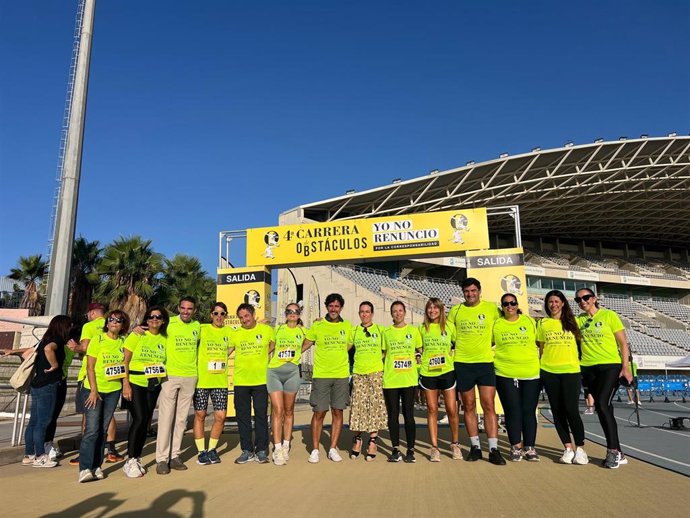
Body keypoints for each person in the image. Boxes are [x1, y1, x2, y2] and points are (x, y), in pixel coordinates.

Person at [448, 278, 505, 465]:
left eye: (473, 290)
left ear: (479, 291)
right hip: (463, 363)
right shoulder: (455, 311)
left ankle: (494, 449)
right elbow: (448, 335)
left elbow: (501, 330)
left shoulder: (492, 309)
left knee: (489, 405)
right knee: (469, 405)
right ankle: (475, 447)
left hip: (485, 363)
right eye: (466, 291)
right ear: (463, 292)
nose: (470, 294)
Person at [576, 288, 632, 469]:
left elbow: (623, 342)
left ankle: (613, 451)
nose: (582, 301)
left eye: (586, 298)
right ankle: (618, 451)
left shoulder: (609, 316)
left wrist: (625, 367)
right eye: (578, 300)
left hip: (610, 366)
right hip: (588, 368)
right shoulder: (579, 321)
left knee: (601, 403)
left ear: (594, 298)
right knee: (603, 408)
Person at [537, 290, 588, 465]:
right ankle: (568, 448)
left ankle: (580, 448)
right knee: (557, 412)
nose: (553, 304)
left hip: (571, 371)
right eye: (550, 302)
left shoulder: (574, 322)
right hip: (549, 371)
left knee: (571, 410)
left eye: (556, 301)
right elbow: (542, 349)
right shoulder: (543, 323)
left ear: (563, 303)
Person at [78, 310, 129, 482]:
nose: (115, 322)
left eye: (119, 320)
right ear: (107, 323)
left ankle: (96, 465)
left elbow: (125, 364)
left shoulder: (123, 342)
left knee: (103, 430)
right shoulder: (97, 340)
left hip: (113, 390)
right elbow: (90, 367)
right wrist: (93, 390)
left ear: (123, 325)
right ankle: (85, 468)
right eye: (112, 319)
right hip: (95, 389)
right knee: (91, 429)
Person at [70, 302, 123, 465]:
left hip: (91, 376)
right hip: (113, 380)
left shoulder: (89, 326)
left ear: (92, 313)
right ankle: (111, 450)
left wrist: (74, 347)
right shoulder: (120, 334)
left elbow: (85, 347)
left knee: (89, 417)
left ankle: (85, 454)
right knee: (107, 418)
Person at [302, 293, 351, 464]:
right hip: (321, 375)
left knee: (338, 411)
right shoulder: (318, 326)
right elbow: (304, 345)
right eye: (331, 306)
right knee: (319, 412)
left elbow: (350, 345)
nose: (333, 309)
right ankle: (315, 449)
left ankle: (332, 448)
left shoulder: (348, 326)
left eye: (337, 306)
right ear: (327, 307)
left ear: (341, 308)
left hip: (341, 375)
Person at [121, 306, 169, 478]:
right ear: (146, 320)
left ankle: (137, 457)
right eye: (150, 317)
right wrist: (125, 384)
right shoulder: (137, 334)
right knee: (139, 418)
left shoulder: (165, 338)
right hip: (135, 381)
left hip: (153, 383)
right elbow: (124, 361)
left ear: (163, 320)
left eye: (158, 317)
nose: (154, 319)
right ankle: (130, 460)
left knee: (145, 421)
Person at [156, 296, 201, 475]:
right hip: (170, 376)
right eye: (183, 308)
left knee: (181, 419)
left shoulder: (198, 326)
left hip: (190, 376)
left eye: (190, 309)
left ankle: (175, 456)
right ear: (178, 308)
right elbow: (151, 329)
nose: (186, 311)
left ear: (194, 311)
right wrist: (137, 329)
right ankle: (161, 459)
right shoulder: (168, 323)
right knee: (166, 417)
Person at [493, 294, 540, 462]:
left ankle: (530, 447)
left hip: (531, 372)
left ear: (517, 304)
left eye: (512, 303)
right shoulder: (497, 324)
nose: (509, 306)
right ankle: (515, 446)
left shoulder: (529, 322)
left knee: (529, 411)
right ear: (502, 306)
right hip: (505, 372)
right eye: (505, 304)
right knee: (512, 411)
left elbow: (540, 343)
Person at [22, 315, 72, 468]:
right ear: (63, 326)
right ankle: (40, 456)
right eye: (69, 325)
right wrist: (55, 365)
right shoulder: (56, 341)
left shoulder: (43, 339)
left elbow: (27, 353)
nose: (71, 328)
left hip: (37, 383)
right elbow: (48, 349)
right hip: (49, 384)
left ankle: (29, 454)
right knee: (43, 422)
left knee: (34, 421)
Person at [229, 303, 274, 464]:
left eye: (246, 316)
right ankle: (246, 450)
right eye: (241, 317)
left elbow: (273, 344)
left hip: (261, 381)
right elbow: (226, 351)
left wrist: (263, 354)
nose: (244, 320)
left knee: (261, 416)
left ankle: (261, 450)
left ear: (253, 314)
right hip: (241, 382)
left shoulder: (266, 330)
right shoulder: (236, 333)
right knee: (243, 417)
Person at [418, 298, 460, 462]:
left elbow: (458, 343)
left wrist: (452, 354)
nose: (432, 311)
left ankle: (455, 443)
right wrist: (419, 356)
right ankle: (434, 447)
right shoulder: (422, 328)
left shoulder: (449, 326)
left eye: (436, 308)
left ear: (441, 310)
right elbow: (419, 348)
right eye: (429, 308)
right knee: (432, 409)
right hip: (429, 373)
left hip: (447, 371)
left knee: (451, 409)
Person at [193, 302, 233, 466]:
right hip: (202, 381)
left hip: (220, 381)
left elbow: (235, 345)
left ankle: (211, 449)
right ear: (211, 315)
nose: (219, 316)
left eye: (222, 313)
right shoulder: (202, 328)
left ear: (225, 316)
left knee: (221, 416)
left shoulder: (229, 332)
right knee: (200, 415)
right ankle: (201, 451)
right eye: (216, 313)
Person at [347, 301, 387, 462]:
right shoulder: (354, 331)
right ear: (359, 314)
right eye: (362, 311)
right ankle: (358, 438)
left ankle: (372, 441)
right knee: (358, 406)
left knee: (375, 407)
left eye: (367, 311)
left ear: (372, 313)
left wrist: (377, 362)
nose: (365, 314)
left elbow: (385, 350)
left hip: (376, 373)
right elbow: (344, 349)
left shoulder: (380, 330)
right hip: (358, 373)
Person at [382, 301, 421, 463]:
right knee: (392, 415)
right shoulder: (387, 332)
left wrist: (418, 360)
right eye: (394, 311)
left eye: (400, 310)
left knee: (408, 414)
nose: (397, 314)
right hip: (391, 380)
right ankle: (396, 448)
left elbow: (420, 351)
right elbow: (383, 355)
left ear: (405, 312)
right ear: (391, 314)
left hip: (409, 379)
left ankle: (410, 450)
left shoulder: (413, 331)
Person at [268, 303, 305, 465]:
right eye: (289, 311)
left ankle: (285, 445)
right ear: (285, 313)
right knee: (278, 409)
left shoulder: (303, 331)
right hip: (274, 372)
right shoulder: (278, 329)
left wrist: (297, 353)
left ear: (299, 314)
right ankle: (277, 448)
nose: (292, 313)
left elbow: (311, 340)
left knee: (289, 410)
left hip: (292, 373)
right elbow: (268, 347)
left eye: (295, 311)